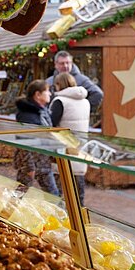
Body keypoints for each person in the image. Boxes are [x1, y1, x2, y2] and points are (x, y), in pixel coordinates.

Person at [50, 72, 90, 204]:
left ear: (58, 85)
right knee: (79, 194)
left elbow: (52, 125)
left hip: (63, 151)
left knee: (59, 194)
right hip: (80, 149)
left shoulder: (59, 101)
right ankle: (81, 220)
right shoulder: (85, 102)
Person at [15, 80, 60, 196]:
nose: (50, 94)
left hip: (43, 161)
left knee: (53, 195)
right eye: (47, 91)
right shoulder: (28, 115)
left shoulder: (42, 112)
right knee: (20, 195)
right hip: (31, 163)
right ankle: (7, 213)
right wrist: (29, 167)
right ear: (38, 95)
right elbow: (24, 143)